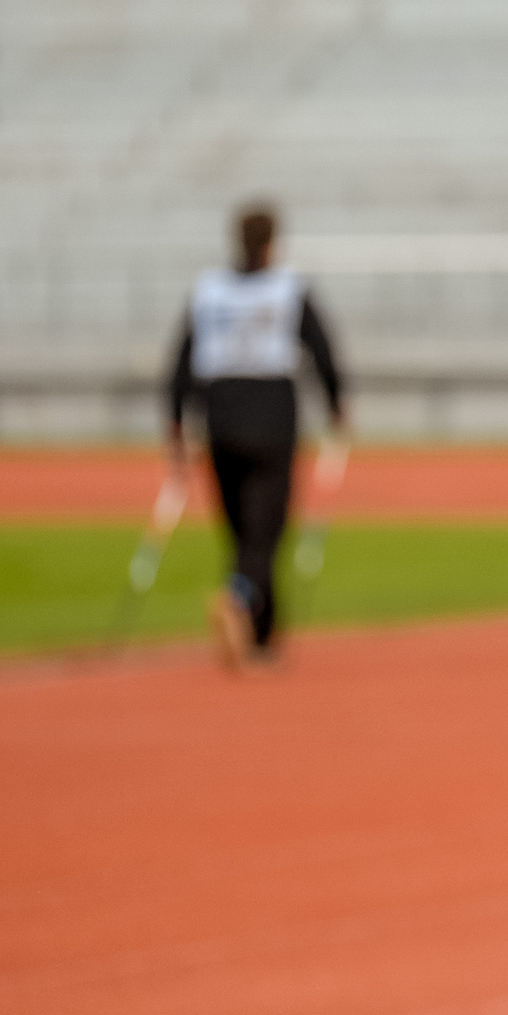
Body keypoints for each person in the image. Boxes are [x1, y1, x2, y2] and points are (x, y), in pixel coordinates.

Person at [166, 202, 347, 671]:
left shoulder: (209, 290)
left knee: (240, 529)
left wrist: (175, 421)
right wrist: (336, 403)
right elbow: (321, 348)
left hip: (219, 416)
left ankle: (259, 635)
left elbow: (181, 360)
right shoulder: (288, 288)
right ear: (271, 244)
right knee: (265, 532)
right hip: (270, 417)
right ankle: (239, 600)